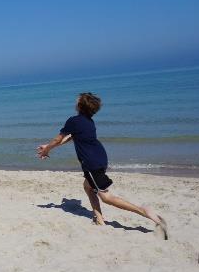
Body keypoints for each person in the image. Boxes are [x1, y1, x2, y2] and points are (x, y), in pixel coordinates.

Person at [37, 92, 168, 239]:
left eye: (77, 100)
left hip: (91, 163)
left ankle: (145, 211)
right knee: (87, 186)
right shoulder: (88, 121)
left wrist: (47, 149)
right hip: (101, 157)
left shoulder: (73, 121)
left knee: (106, 197)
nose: (75, 102)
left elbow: (57, 139)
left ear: (80, 105)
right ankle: (99, 219)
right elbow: (71, 137)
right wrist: (48, 146)